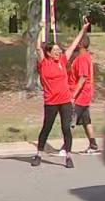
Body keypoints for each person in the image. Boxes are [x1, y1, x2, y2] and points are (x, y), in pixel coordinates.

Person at [33, 18, 92, 168]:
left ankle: (68, 156)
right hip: (51, 101)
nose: (59, 53)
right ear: (49, 53)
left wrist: (83, 29)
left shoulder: (62, 61)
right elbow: (38, 47)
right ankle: (39, 154)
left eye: (59, 51)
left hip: (65, 100)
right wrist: (41, 29)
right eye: (55, 51)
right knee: (47, 127)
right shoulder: (44, 63)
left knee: (66, 128)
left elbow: (73, 44)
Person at [70, 33, 99, 153]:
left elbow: (82, 77)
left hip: (81, 95)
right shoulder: (84, 56)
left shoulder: (82, 58)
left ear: (80, 44)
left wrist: (73, 96)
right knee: (86, 120)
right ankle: (93, 144)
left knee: (70, 120)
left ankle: (65, 147)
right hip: (85, 94)